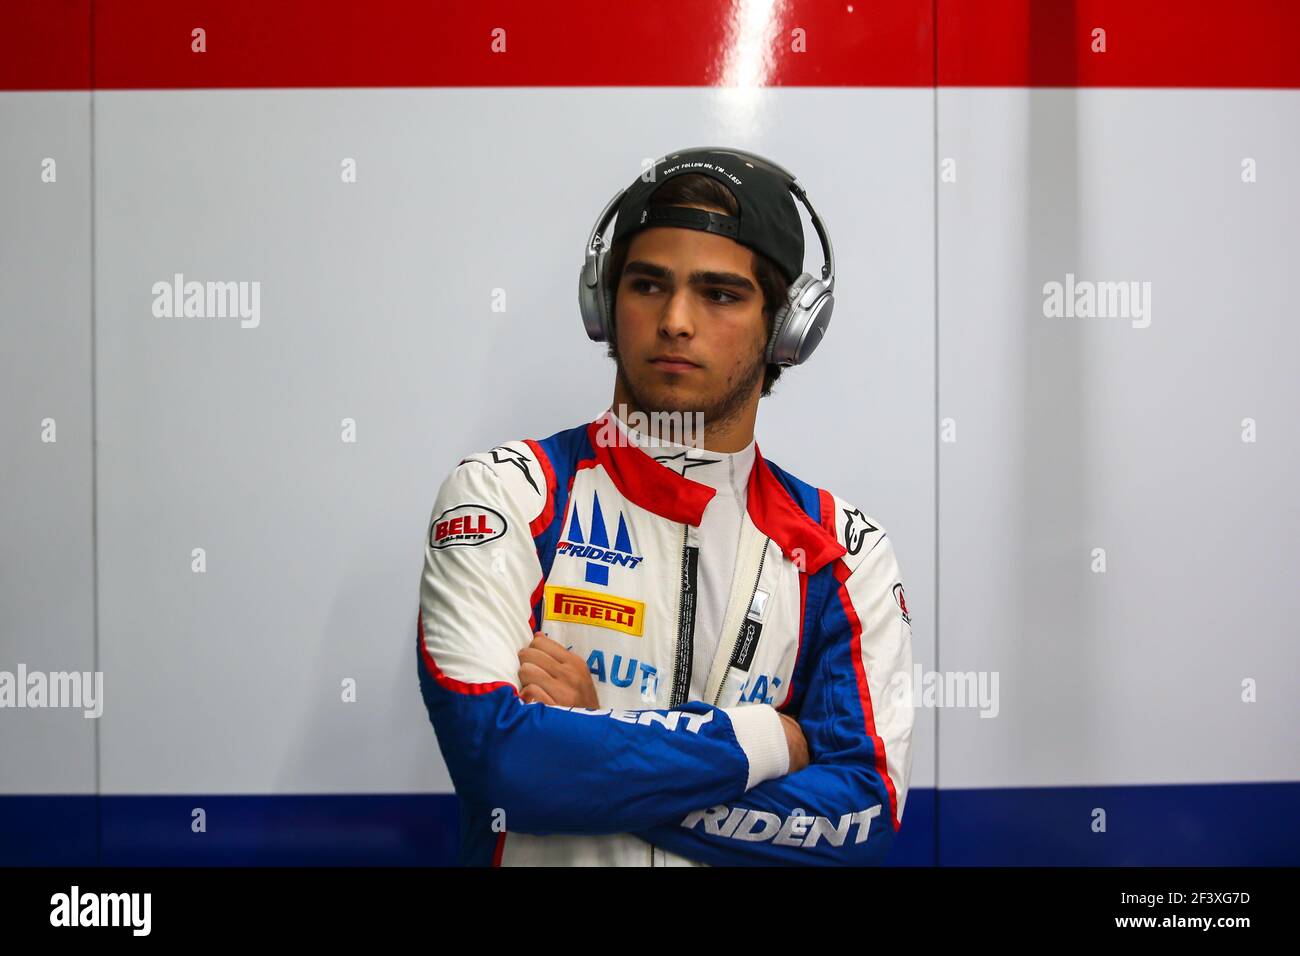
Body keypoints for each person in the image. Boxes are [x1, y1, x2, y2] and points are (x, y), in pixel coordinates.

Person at [416, 147, 913, 866]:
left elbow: (856, 819)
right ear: (605, 304)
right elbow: (504, 770)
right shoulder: (507, 496)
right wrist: (773, 739)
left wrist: (596, 746)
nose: (676, 320)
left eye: (720, 294)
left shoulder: (841, 550)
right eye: (648, 285)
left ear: (785, 329)